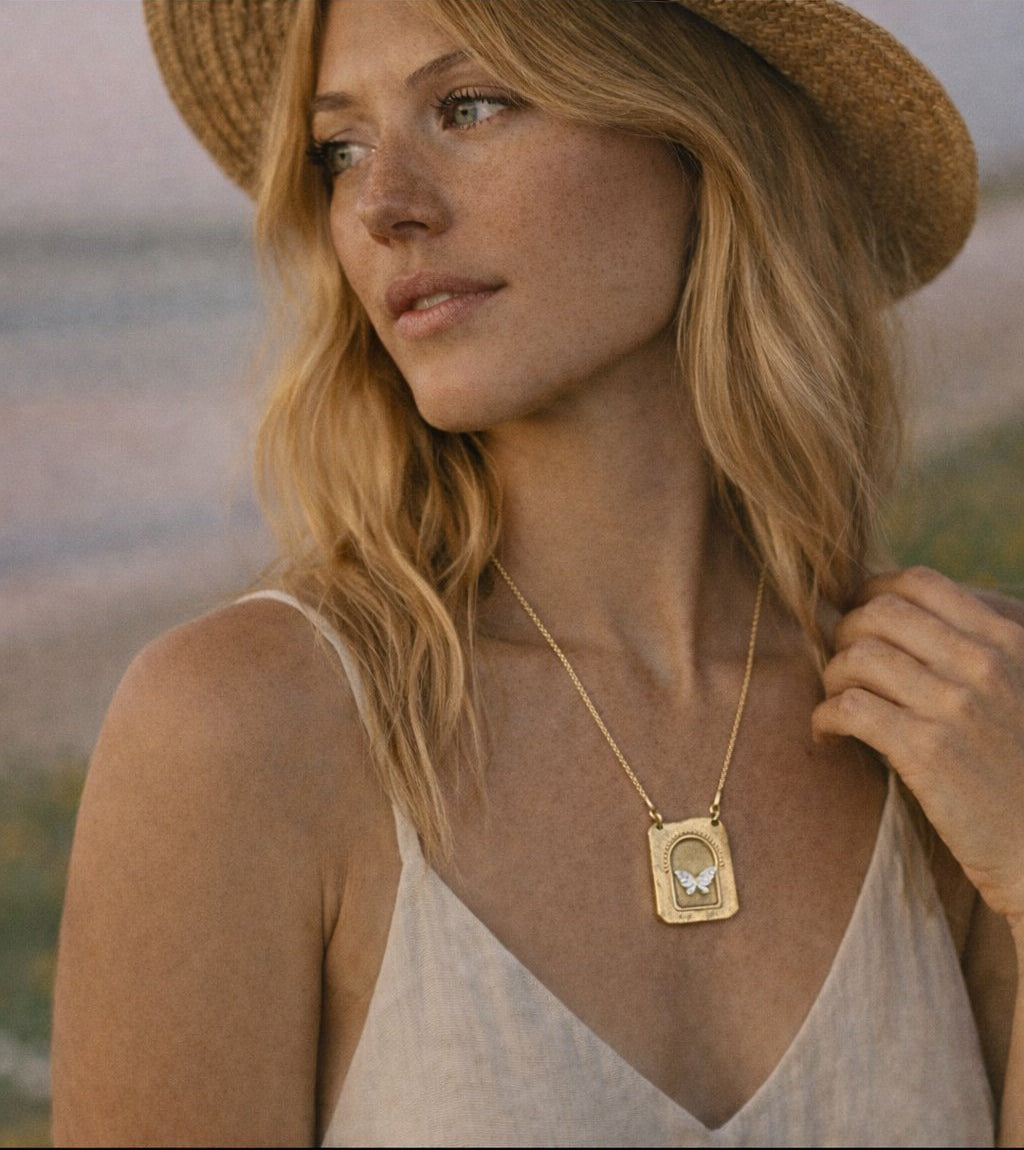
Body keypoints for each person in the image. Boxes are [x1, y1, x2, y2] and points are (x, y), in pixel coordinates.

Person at [52, 1, 1024, 1145]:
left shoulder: (966, 716)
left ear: (698, 137)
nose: (380, 206)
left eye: (469, 106)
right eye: (339, 151)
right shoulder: (246, 728)